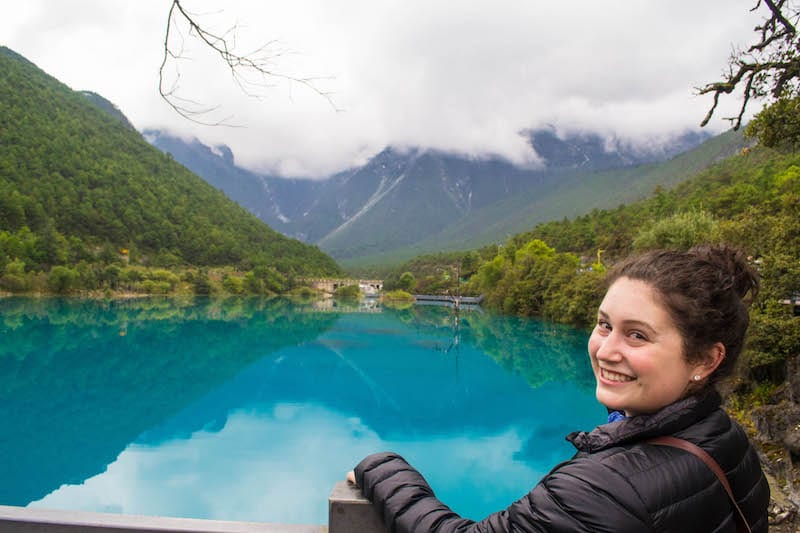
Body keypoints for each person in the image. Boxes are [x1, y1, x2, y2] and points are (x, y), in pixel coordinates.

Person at [346, 245, 770, 532]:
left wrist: (383, 468)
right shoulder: (726, 440)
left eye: (637, 335)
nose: (606, 350)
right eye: (605, 324)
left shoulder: (603, 488)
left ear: (705, 360)